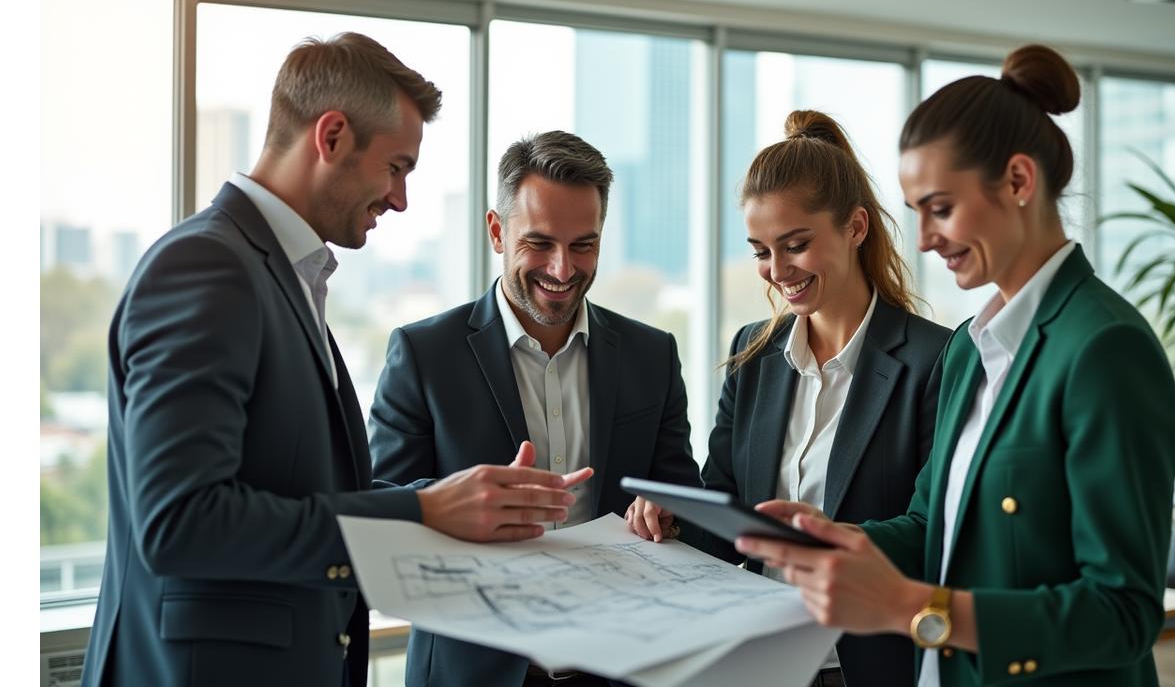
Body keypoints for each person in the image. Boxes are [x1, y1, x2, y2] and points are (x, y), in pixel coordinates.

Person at [82, 33, 590, 687]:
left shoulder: (277, 273)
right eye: (396, 167)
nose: (401, 198)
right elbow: (181, 521)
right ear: (332, 137)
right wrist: (423, 513)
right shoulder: (206, 266)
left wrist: (451, 498)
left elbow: (295, 489)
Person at [736, 45, 1175, 686]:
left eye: (941, 208)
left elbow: (1124, 613)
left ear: (1020, 183)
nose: (922, 239)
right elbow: (931, 528)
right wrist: (834, 539)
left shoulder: (1104, 347)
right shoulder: (973, 347)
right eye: (916, 210)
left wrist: (912, 607)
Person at [625, 110, 949, 687]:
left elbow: (936, 531)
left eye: (795, 245)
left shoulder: (935, 360)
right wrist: (675, 519)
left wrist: (837, 538)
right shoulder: (753, 353)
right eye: (760, 251)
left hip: (872, 666)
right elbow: (727, 513)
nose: (777, 272)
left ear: (855, 227)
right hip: (761, 662)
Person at [368, 129, 703, 687]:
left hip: (620, 666)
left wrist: (668, 516)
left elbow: (683, 502)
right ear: (497, 232)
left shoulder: (652, 355)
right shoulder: (424, 354)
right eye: (541, 243)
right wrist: (468, 510)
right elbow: (381, 519)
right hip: (472, 672)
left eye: (583, 245)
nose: (563, 269)